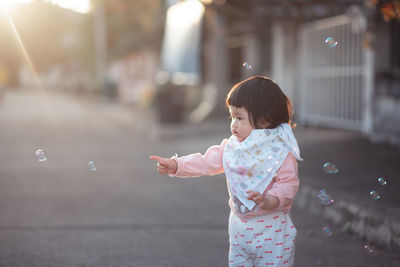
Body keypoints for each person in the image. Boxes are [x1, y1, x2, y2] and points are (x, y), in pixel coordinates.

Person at [150, 76, 302, 267]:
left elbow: (288, 183)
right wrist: (177, 164)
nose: (233, 125)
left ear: (264, 120)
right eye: (232, 117)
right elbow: (206, 161)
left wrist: (270, 200)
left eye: (239, 118)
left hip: (272, 231)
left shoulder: (279, 152)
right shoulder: (232, 148)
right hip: (239, 229)